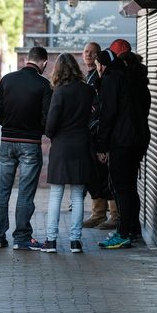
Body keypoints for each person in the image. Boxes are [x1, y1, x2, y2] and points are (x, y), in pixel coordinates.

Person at [0, 46, 53, 250]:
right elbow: (47, 117)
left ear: (27, 59)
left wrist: (8, 124)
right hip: (30, 145)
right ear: (43, 63)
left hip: (7, 142)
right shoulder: (44, 85)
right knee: (25, 192)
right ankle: (22, 238)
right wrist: (36, 130)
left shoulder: (7, 79)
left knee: (2, 191)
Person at [96, 49, 151, 249]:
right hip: (138, 139)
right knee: (129, 187)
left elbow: (107, 115)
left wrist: (102, 145)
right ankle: (132, 229)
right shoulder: (135, 81)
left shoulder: (112, 79)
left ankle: (123, 233)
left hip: (122, 141)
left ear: (102, 65)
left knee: (121, 188)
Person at [40, 53, 94, 254]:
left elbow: (51, 123)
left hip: (62, 146)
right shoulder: (88, 91)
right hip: (81, 145)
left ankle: (52, 241)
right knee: (78, 195)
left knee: (56, 194)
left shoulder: (59, 92)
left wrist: (50, 132)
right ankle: (75, 241)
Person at [81, 41, 117, 229]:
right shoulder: (88, 76)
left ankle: (113, 214)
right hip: (91, 134)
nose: (88, 55)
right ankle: (98, 213)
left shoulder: (101, 78)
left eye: (92, 53)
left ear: (99, 56)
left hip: (100, 133)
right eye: (86, 51)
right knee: (94, 175)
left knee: (105, 175)